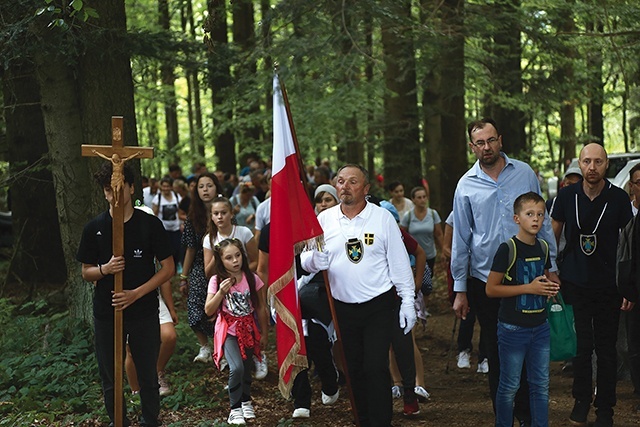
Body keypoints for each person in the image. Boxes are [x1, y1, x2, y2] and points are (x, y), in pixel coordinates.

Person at [451, 117, 559, 424]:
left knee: (529, 346)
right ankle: (506, 415)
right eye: (480, 143)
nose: (487, 148)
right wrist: (459, 288)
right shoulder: (465, 185)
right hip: (486, 279)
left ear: (501, 140)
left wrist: (552, 266)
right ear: (473, 147)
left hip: (529, 274)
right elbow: (461, 237)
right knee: (497, 351)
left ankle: (527, 415)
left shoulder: (524, 173)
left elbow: (542, 219)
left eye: (491, 140)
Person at [301, 164, 416, 427]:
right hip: (342, 307)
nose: (345, 186)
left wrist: (408, 301)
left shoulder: (382, 218)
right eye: (341, 181)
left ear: (366, 188)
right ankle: (363, 420)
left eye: (353, 182)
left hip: (378, 305)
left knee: (375, 366)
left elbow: (399, 263)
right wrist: (312, 260)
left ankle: (380, 422)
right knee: (353, 368)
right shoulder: (324, 220)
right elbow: (307, 260)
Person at [76, 162, 174, 427]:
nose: (114, 194)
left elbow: (168, 268)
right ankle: (118, 421)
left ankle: (150, 420)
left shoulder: (150, 225)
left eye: (120, 187)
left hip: (142, 310)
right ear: (104, 193)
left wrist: (137, 294)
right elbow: (86, 272)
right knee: (110, 372)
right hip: (107, 311)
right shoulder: (94, 227)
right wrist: (105, 269)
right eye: (109, 189)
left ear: (132, 187)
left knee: (147, 371)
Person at [550, 143, 633, 427]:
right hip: (574, 283)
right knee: (582, 348)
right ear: (580, 164)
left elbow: (630, 246)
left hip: (610, 286)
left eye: (598, 162)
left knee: (607, 349)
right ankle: (581, 401)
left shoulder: (619, 199)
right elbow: (552, 237)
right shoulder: (565, 196)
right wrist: (551, 271)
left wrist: (630, 286)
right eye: (587, 161)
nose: (592, 167)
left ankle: (606, 409)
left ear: (606, 164)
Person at [485, 192, 560, 427]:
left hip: (540, 327)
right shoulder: (507, 249)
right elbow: (491, 289)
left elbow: (542, 279)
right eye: (529, 214)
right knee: (509, 386)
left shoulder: (544, 248)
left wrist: (548, 289)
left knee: (540, 385)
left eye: (540, 214)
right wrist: (528, 288)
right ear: (517, 218)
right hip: (512, 328)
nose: (535, 219)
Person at [204, 238, 269, 425]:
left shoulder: (251, 278)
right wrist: (220, 293)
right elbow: (208, 310)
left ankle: (246, 401)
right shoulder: (217, 281)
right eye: (229, 258)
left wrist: (263, 333)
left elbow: (260, 307)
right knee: (237, 367)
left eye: (238, 255)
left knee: (247, 367)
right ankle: (234, 409)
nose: (235, 261)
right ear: (221, 260)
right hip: (229, 330)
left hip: (248, 329)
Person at [180, 172, 223, 363]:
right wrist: (183, 276)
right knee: (196, 307)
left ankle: (223, 348)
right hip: (199, 265)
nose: (205, 190)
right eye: (201, 186)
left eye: (209, 185)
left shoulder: (225, 211)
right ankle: (205, 346)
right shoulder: (192, 217)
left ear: (217, 188)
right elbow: (190, 248)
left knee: (221, 306)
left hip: (223, 266)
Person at [443, 211, 488, 373]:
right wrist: (462, 259)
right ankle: (463, 350)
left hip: (484, 273)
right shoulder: (455, 214)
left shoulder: (486, 211)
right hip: (466, 274)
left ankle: (485, 356)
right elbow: (446, 247)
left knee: (487, 315)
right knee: (467, 315)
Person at [400, 186, 443, 276]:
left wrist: (443, 251)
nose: (422, 200)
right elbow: (401, 235)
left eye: (424, 197)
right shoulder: (408, 216)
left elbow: (438, 234)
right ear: (413, 200)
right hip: (414, 255)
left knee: (427, 281)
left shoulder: (433, 214)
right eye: (419, 198)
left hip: (430, 254)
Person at [152, 177, 182, 269]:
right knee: (167, 249)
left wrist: (182, 223)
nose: (166, 188)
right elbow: (155, 214)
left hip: (176, 227)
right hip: (164, 228)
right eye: (164, 186)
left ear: (171, 187)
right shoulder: (158, 198)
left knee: (177, 247)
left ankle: (177, 266)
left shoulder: (176, 197)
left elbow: (180, 211)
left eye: (167, 186)